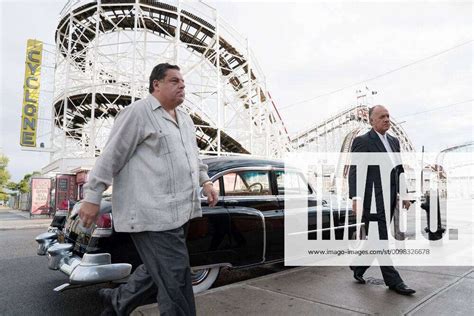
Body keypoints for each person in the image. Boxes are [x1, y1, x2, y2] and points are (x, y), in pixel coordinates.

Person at [79, 63, 219, 315]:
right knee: (176, 279)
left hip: (181, 211)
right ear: (157, 84)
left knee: (159, 270)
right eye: (175, 81)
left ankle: (117, 301)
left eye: (183, 82)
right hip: (152, 212)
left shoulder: (185, 120)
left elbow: (193, 158)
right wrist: (93, 195)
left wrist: (206, 181)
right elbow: (111, 156)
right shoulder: (138, 113)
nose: (182, 85)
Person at [348, 105, 416, 295]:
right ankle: (395, 282)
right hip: (371, 200)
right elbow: (355, 171)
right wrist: (356, 197)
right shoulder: (363, 142)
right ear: (371, 121)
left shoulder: (394, 141)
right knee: (381, 241)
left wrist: (404, 193)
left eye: (388, 116)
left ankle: (358, 266)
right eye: (382, 117)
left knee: (376, 241)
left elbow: (399, 169)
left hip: (390, 199)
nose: (387, 119)